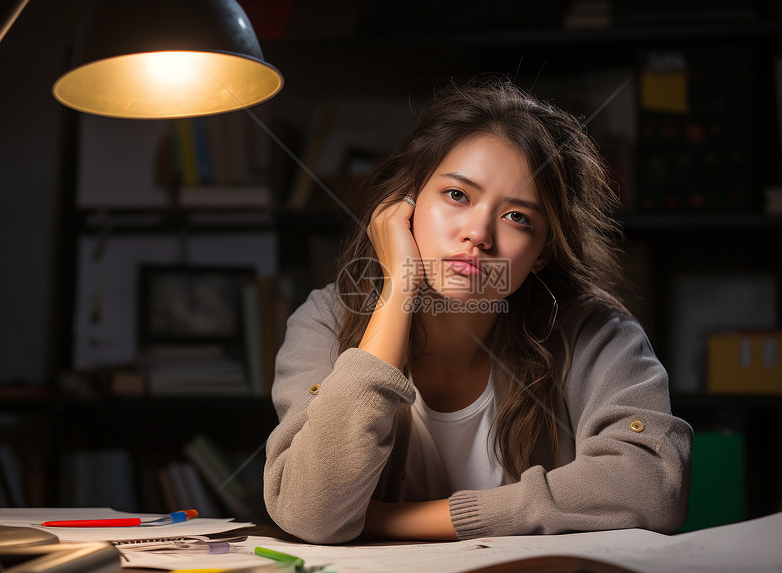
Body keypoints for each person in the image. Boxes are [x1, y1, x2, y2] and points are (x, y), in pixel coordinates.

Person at [263, 77, 692, 544]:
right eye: (457, 196)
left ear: (542, 252)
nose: (479, 234)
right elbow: (309, 512)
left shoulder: (596, 332)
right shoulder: (326, 320)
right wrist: (398, 291)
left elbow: (652, 485)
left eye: (517, 218)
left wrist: (396, 520)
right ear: (402, 208)